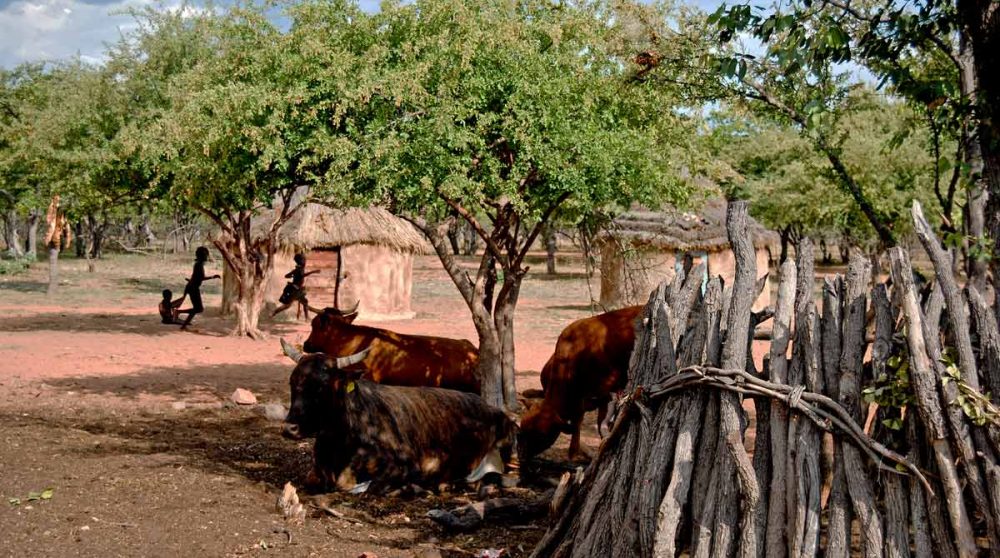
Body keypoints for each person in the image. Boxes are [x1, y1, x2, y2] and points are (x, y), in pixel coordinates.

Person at [177, 246, 220, 330]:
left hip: (192, 287)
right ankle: (180, 317)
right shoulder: (199, 265)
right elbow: (201, 278)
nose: (207, 257)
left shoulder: (198, 264)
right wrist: (213, 277)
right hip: (193, 288)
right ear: (203, 256)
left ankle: (183, 323)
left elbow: (196, 277)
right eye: (206, 255)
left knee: (197, 308)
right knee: (198, 308)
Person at [272, 253, 319, 320]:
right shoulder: (299, 269)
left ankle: (306, 318)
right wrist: (313, 272)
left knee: (304, 302)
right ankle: (274, 312)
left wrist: (292, 275)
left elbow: (287, 276)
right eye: (304, 260)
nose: (305, 261)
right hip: (296, 290)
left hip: (296, 289)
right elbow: (302, 275)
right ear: (300, 261)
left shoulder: (298, 269)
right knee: (288, 305)